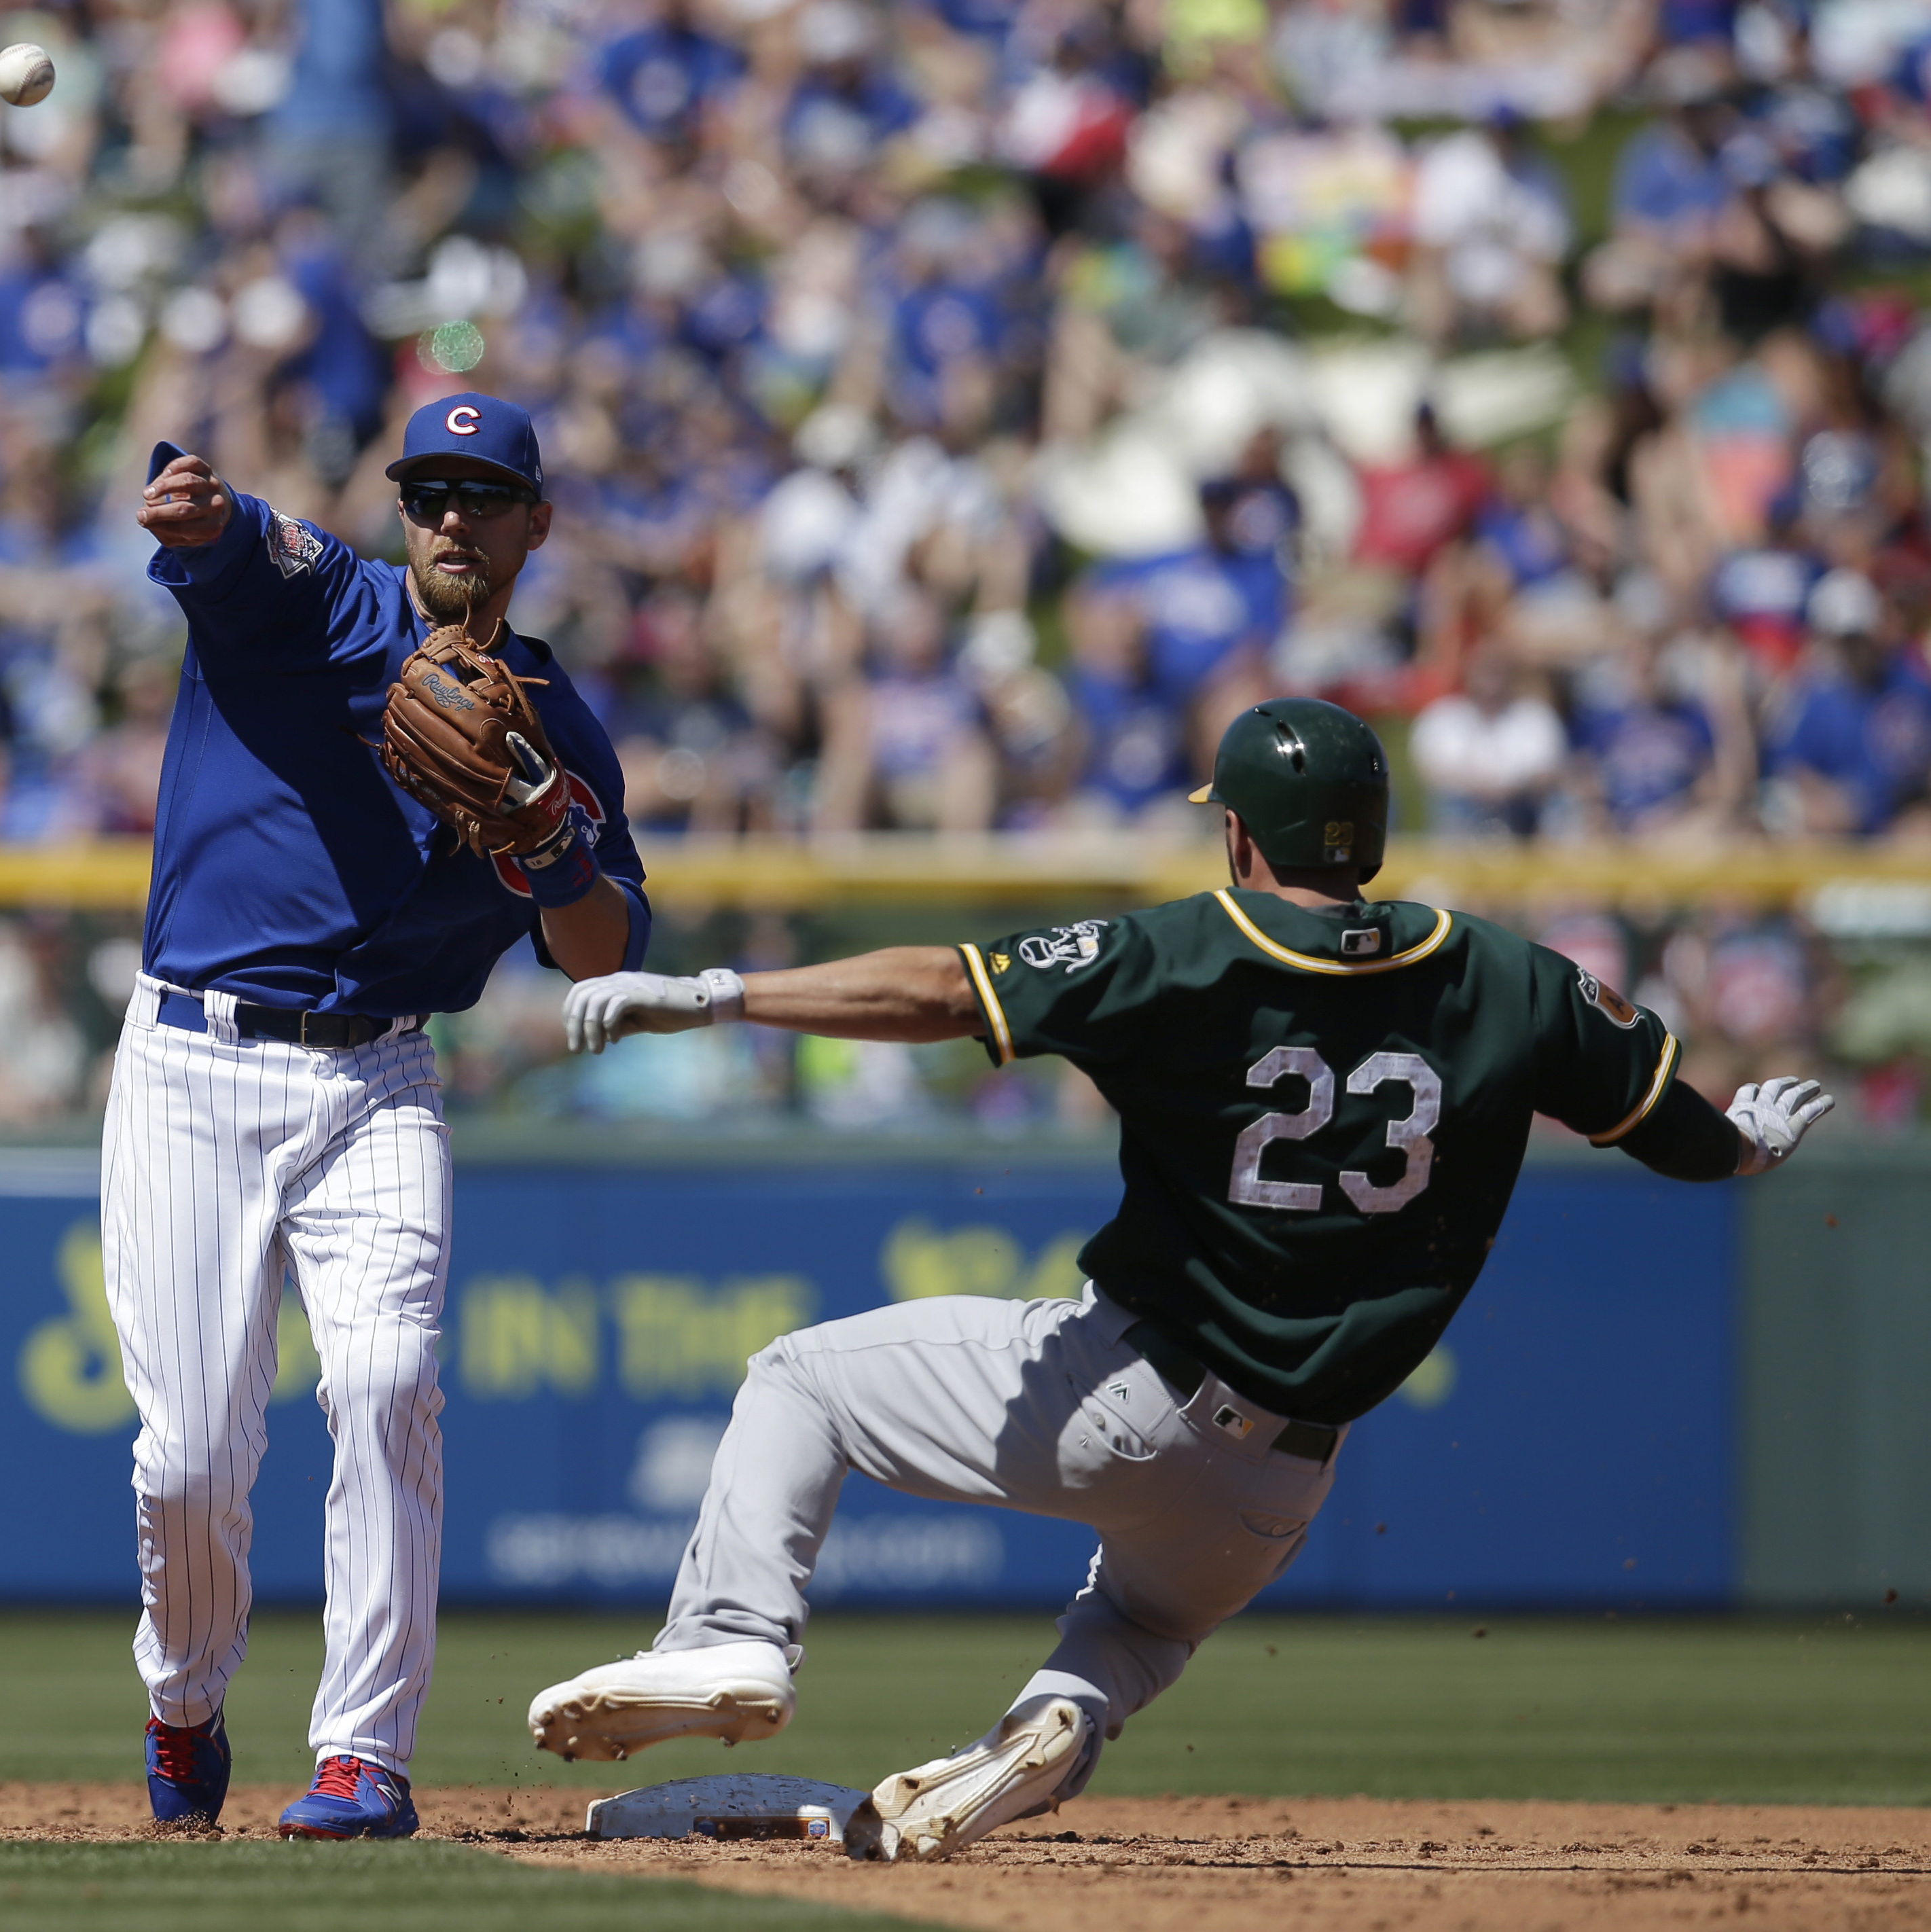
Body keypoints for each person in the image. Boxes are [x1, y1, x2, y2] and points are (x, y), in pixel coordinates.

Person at [525, 696, 1832, 1863]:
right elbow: (1686, 1135)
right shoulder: (1506, 974)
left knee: (797, 1378)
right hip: (1285, 1480)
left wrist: (718, 993)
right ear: (1367, 831)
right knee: (1142, 1632)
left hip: (1136, 1388)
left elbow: (944, 986)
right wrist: (1754, 1146)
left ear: (1244, 837)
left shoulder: (1191, 951)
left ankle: (731, 1637)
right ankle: (1047, 1727)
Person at [120, 392, 649, 1838]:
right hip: (191, 1062)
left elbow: (605, 956)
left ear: (537, 522)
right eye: (431, 494)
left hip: (381, 1079)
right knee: (189, 1462)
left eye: (485, 495)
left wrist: (553, 846)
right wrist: (200, 510)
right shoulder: (330, 604)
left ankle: (366, 1754)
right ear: (400, 507)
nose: (453, 520)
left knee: (388, 1380)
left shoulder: (565, 731)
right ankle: (183, 1704)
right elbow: (236, 540)